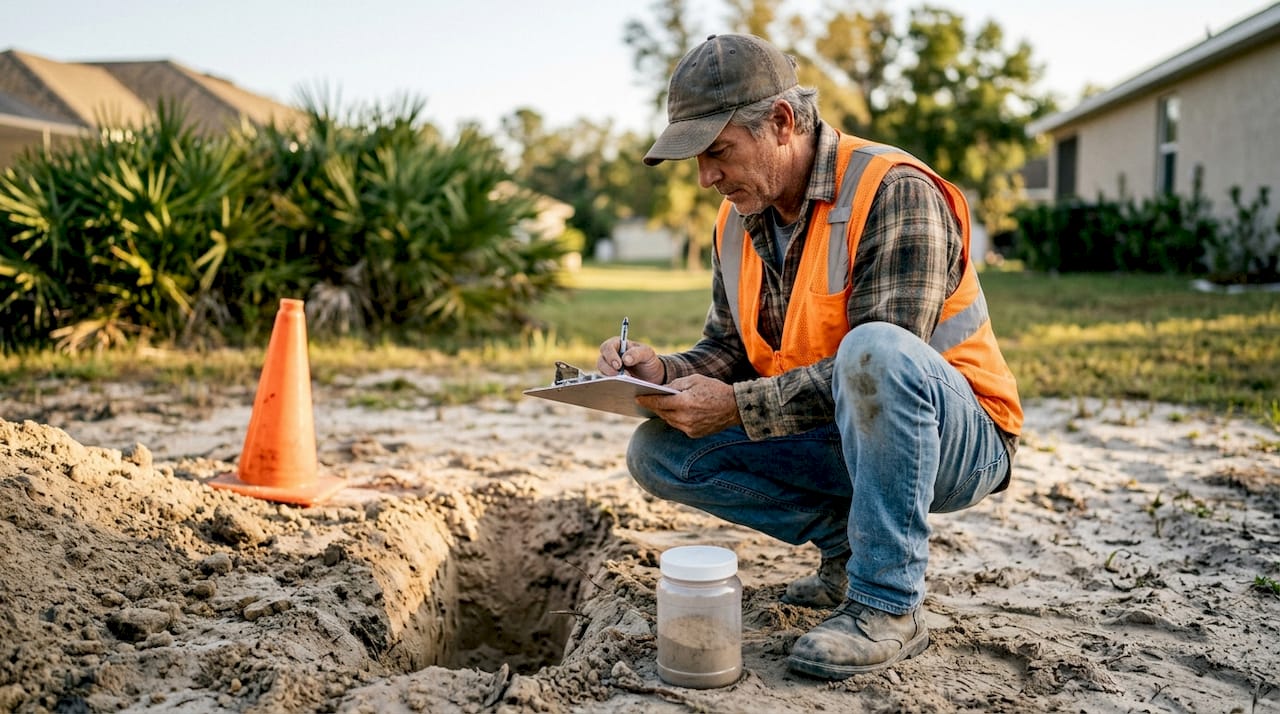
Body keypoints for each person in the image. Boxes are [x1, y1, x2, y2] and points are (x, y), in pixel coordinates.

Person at [595, 33, 1023, 681]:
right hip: (838, 431)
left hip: (957, 443)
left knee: (876, 351)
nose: (707, 177)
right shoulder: (741, 217)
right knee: (657, 452)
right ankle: (847, 551)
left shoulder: (893, 190)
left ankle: (887, 604)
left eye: (717, 152)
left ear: (782, 122)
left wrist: (736, 406)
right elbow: (730, 350)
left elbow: (883, 367)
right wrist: (661, 374)